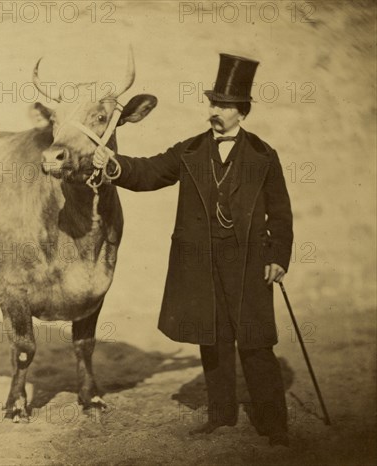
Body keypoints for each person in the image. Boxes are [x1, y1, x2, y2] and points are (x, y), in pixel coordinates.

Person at [94, 53, 293, 447]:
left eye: (221, 106)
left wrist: (276, 257)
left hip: (250, 264)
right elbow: (149, 172)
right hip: (201, 262)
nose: (213, 111)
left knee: (255, 343)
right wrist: (114, 165)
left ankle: (274, 425)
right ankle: (221, 417)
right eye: (211, 103)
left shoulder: (263, 156)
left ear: (241, 112)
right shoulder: (190, 151)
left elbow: (281, 212)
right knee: (213, 339)